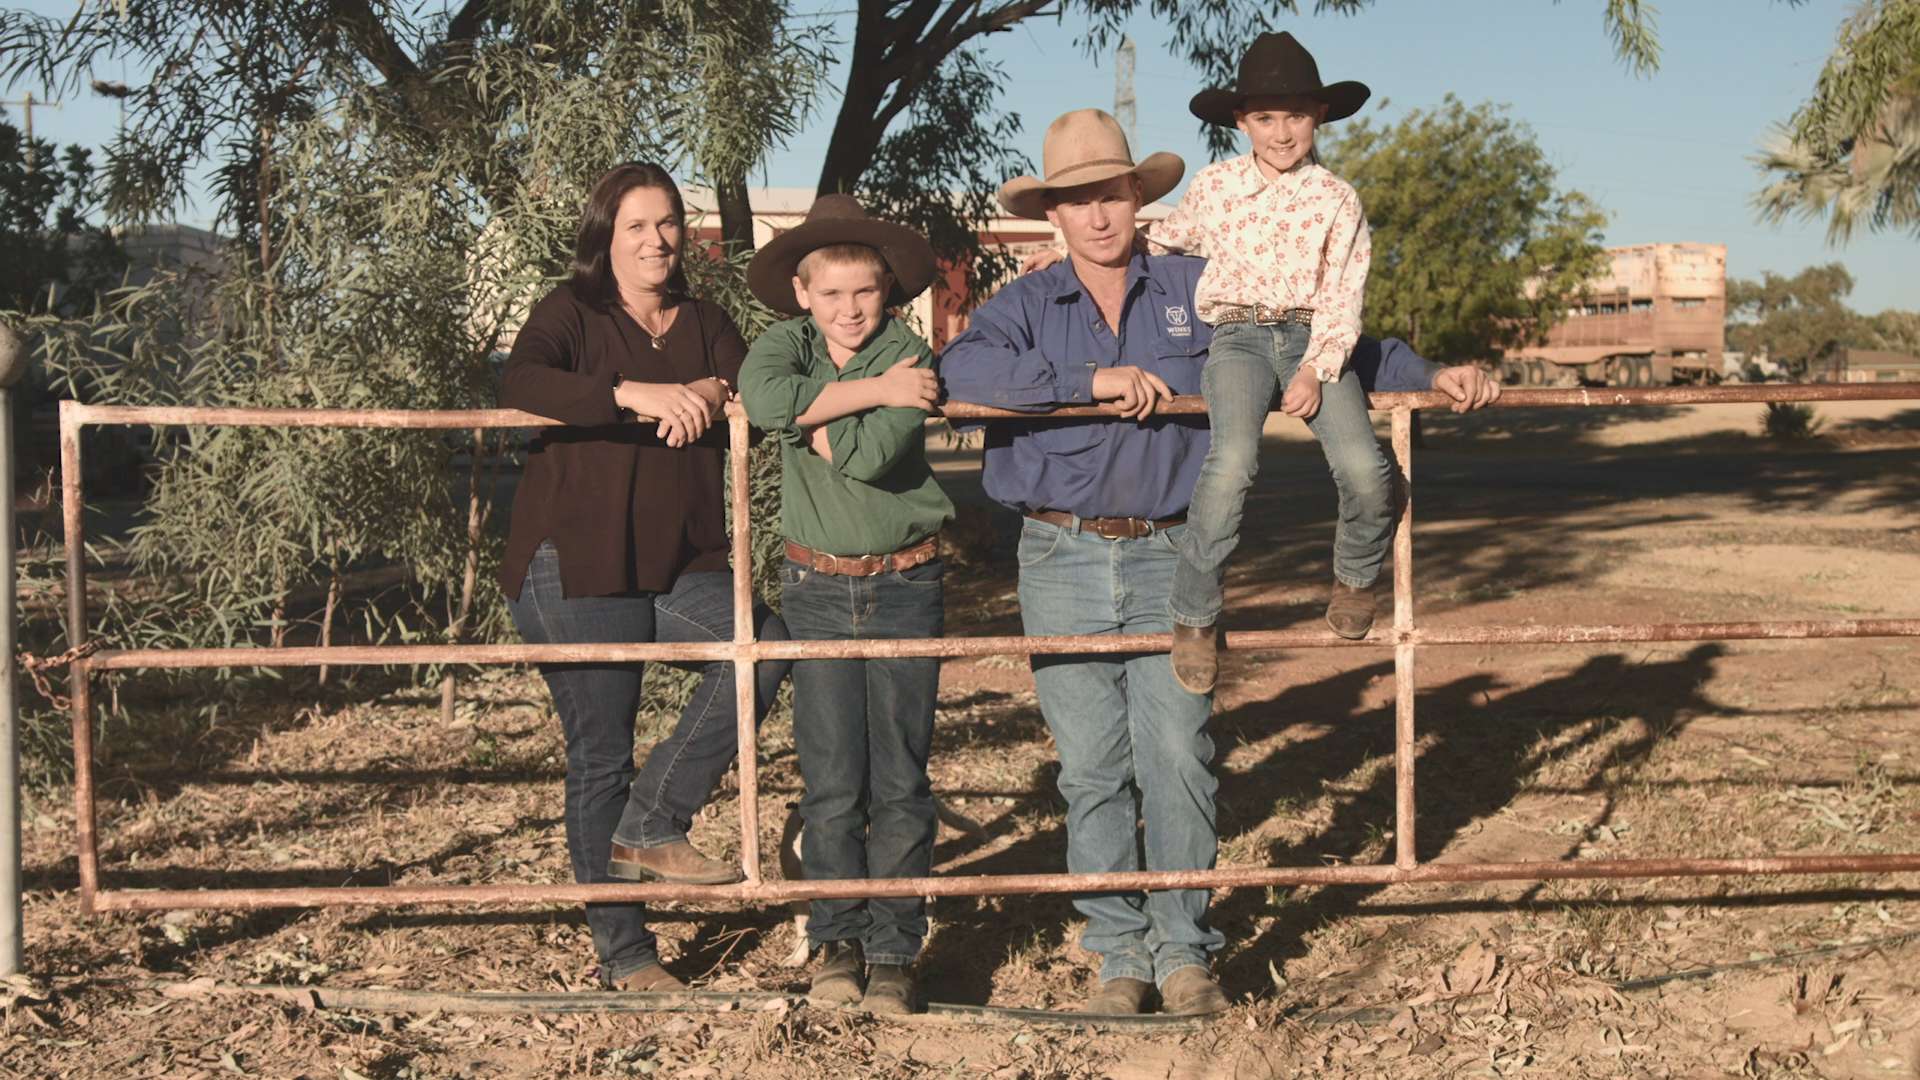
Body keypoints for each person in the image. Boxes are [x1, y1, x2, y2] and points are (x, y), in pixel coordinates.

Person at [940, 109, 1499, 1016]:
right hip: (1060, 555)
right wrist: (1088, 383)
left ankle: (1186, 951)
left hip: (1173, 551)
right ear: (1055, 214)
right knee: (1089, 767)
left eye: (1111, 194)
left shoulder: (1203, 284)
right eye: (1077, 201)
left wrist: (1427, 373)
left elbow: (1322, 333)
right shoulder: (1027, 307)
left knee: (1179, 753)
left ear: (1139, 198)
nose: (1098, 215)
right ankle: (1119, 957)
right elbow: (960, 378)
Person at [498, 162, 791, 993]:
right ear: (606, 235)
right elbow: (520, 380)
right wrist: (632, 394)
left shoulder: (704, 319)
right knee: (601, 751)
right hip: (576, 561)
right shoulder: (572, 312)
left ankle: (653, 822)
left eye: (667, 223)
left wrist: (705, 385)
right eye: (636, 226)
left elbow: (757, 381)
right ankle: (626, 957)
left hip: (677, 562)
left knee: (762, 650)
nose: (657, 240)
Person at [738, 195, 954, 1015]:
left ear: (885, 291)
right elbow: (764, 401)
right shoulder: (785, 344)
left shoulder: (909, 351)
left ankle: (895, 949)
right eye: (831, 294)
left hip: (903, 584)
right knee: (831, 777)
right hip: (818, 587)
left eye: (864, 292)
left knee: (899, 777)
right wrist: (858, 396)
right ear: (803, 293)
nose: (849, 309)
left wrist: (811, 412)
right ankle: (836, 940)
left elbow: (864, 458)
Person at [1145, 31, 1390, 694]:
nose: (1282, 132)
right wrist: (1071, 250)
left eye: (1296, 116)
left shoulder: (1338, 198)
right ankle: (1194, 616)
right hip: (1239, 337)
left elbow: (1345, 290)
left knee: (1367, 468)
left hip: (1314, 340)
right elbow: (1163, 238)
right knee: (1231, 465)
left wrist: (1316, 367)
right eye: (1265, 118)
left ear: (1318, 117)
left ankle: (1356, 577)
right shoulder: (1216, 187)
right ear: (1241, 122)